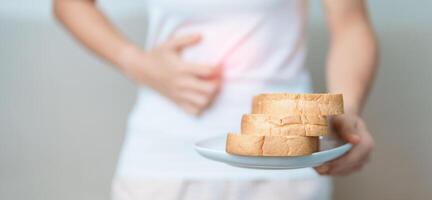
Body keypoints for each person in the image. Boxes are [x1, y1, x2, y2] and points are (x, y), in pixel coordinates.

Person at [53, 0, 377, 199]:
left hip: (285, 170)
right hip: (161, 164)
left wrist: (345, 113)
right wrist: (138, 64)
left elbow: (350, 24)